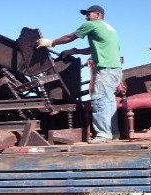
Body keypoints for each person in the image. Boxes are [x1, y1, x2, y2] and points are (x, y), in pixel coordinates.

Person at [37, 5, 123, 144]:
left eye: (88, 14)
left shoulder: (92, 24)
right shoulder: (109, 28)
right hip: (115, 69)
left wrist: (51, 42)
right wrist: (75, 51)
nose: (86, 17)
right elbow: (92, 48)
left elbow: (71, 36)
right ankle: (113, 133)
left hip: (105, 69)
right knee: (109, 101)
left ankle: (103, 135)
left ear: (97, 14)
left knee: (99, 99)